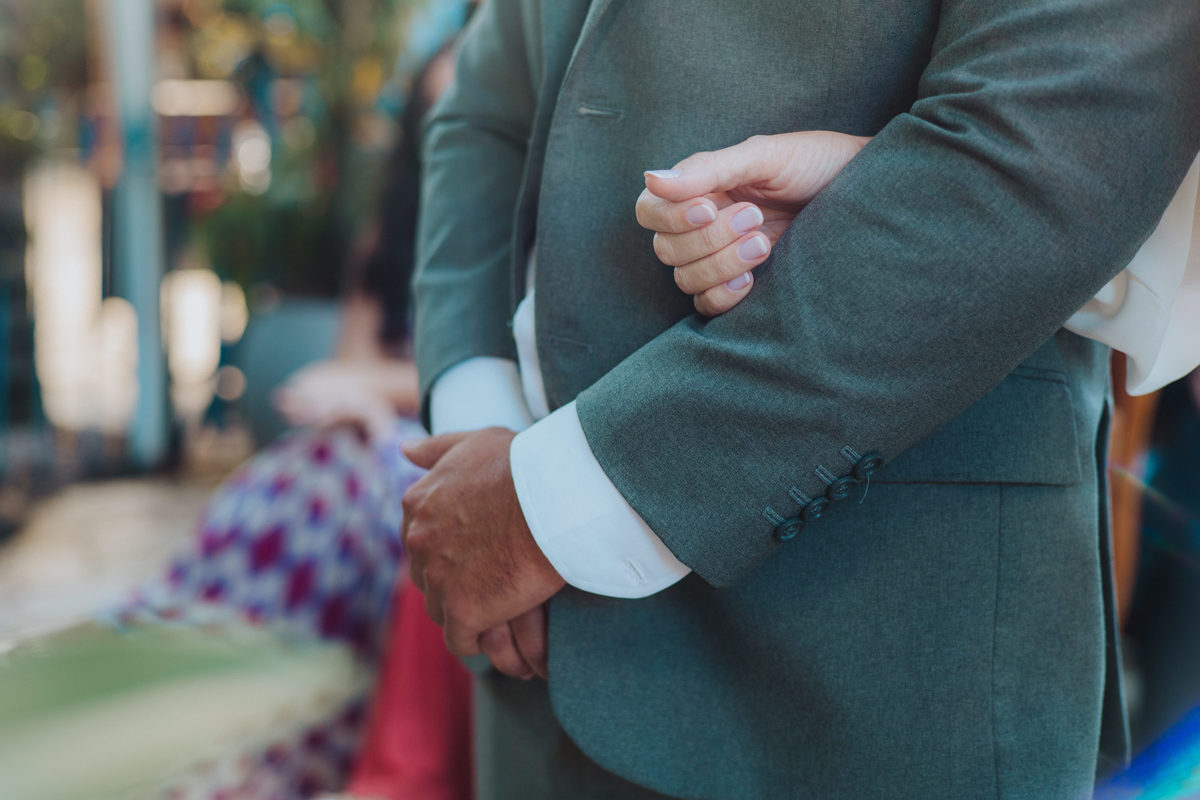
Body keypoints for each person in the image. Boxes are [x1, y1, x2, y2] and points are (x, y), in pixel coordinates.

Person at [403, 2, 1200, 799]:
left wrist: (553, 508)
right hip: (528, 655)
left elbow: (1046, 141)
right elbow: (484, 110)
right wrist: (482, 427)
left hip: (887, 666)